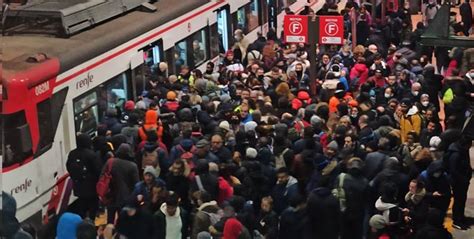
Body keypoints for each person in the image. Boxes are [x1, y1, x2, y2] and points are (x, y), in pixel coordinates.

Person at [66, 134, 102, 219]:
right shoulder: (91, 155)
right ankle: (91, 222)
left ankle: (82, 221)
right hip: (91, 187)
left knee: (82, 206)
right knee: (93, 206)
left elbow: (68, 166)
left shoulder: (72, 153)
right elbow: (98, 170)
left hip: (78, 186)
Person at [105, 143, 140, 224]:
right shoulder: (132, 166)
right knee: (124, 221)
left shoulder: (110, 162)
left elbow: (102, 176)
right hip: (126, 197)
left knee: (110, 220)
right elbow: (136, 184)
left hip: (110, 195)